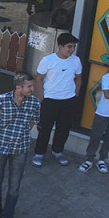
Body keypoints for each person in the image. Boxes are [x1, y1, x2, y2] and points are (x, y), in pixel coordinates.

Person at [0, 72, 41, 218]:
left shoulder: (35, 103)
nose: (32, 89)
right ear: (19, 87)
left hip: (20, 149)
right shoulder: (1, 100)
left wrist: (21, 132)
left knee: (14, 186)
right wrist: (3, 132)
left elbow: (33, 121)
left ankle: (7, 217)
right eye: (29, 86)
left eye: (32, 86)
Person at [32, 33, 82, 167]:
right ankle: (39, 153)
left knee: (63, 129)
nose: (72, 50)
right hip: (50, 100)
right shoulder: (48, 60)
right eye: (69, 47)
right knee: (45, 128)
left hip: (69, 101)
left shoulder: (76, 61)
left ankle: (58, 151)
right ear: (60, 46)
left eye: (74, 47)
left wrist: (75, 95)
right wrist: (42, 98)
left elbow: (78, 78)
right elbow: (39, 79)